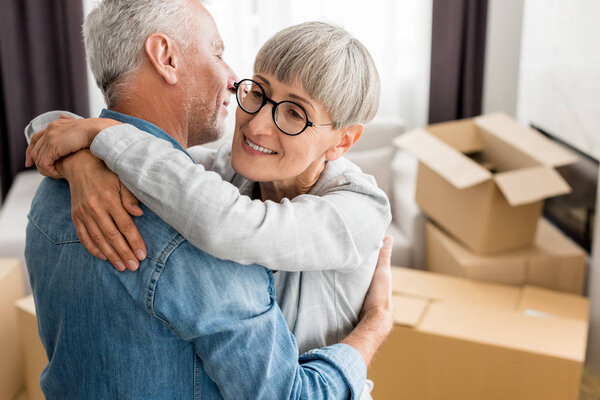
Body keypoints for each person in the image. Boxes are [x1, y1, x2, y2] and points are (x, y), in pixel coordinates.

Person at [24, 1, 393, 399]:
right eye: (259, 92)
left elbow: (235, 225)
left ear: (343, 141)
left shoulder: (361, 208)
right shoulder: (218, 177)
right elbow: (155, 165)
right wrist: (81, 160)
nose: (257, 121)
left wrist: (374, 327)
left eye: (293, 114)